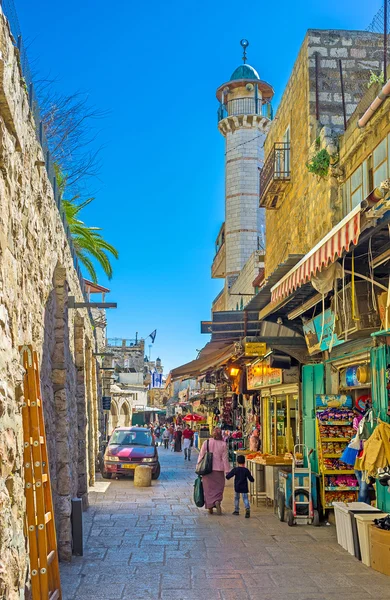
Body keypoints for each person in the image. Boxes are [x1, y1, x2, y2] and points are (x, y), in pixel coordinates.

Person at [197, 427, 230, 515]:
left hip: (207, 470)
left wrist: (198, 467)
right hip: (219, 470)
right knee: (219, 488)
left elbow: (201, 456)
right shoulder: (223, 444)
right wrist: (227, 471)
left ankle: (210, 506)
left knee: (208, 489)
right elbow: (225, 459)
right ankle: (217, 501)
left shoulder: (206, 442)